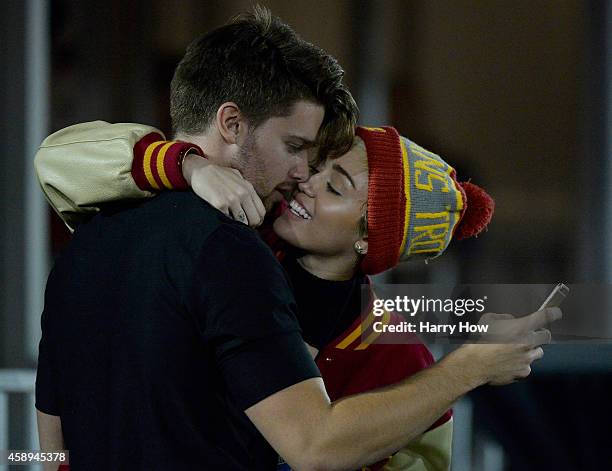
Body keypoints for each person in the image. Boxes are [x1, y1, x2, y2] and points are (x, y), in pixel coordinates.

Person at [36, 116, 555, 471]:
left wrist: (462, 369)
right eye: (315, 161)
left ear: (369, 239)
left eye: (335, 187)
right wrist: (188, 166)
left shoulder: (398, 355)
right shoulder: (224, 243)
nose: (305, 179)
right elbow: (57, 157)